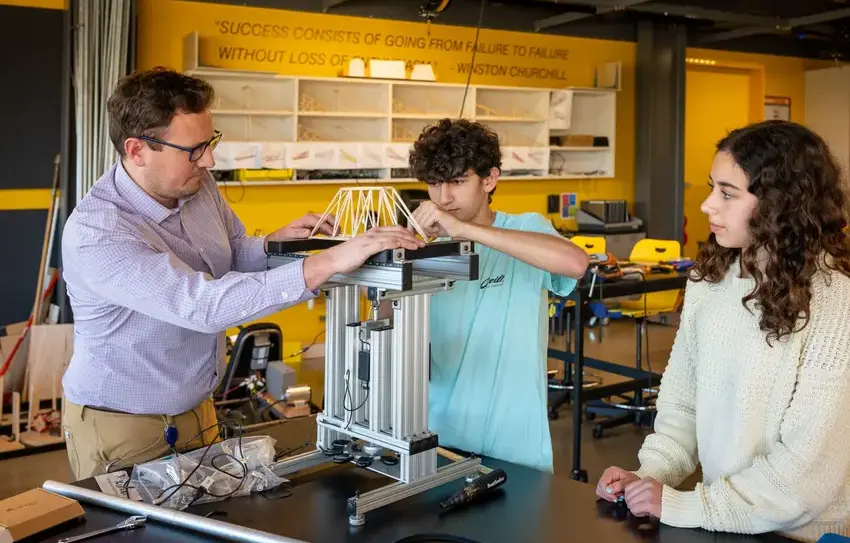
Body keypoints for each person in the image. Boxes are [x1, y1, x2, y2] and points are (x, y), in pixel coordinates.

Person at [60, 67, 423, 480]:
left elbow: (230, 251)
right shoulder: (98, 232)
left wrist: (274, 246)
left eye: (211, 142)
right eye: (194, 150)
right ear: (138, 150)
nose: (210, 160)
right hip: (124, 427)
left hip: (199, 409)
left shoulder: (196, 186)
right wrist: (326, 262)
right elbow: (202, 305)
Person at [596, 120, 850, 541]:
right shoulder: (709, 280)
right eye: (712, 187)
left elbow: (807, 475)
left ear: (780, 205)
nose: (707, 205)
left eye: (728, 193)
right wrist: (646, 476)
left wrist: (687, 504)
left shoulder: (835, 300)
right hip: (723, 523)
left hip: (804, 534)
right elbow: (682, 408)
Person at [405, 118, 590, 473]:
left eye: (458, 182)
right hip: (439, 436)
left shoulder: (526, 228)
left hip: (515, 444)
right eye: (434, 184)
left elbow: (575, 262)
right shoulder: (426, 247)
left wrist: (465, 230)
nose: (443, 198)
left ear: (489, 179)